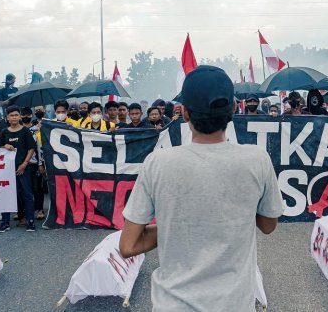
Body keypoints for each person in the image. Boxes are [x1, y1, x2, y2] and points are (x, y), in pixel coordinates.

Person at [119, 65, 283, 310]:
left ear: (184, 113)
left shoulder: (158, 162)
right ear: (233, 109)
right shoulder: (257, 159)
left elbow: (128, 245)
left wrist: (180, 226)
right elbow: (268, 225)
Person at [0, 106, 37, 232]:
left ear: (20, 117)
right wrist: (5, 145)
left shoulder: (25, 131)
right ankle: (5, 222)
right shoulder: (4, 132)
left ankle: (30, 221)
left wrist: (24, 164)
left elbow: (31, 148)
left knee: (27, 194)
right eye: (11, 115)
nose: (14, 117)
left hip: (23, 168)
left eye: (16, 115)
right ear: (7, 118)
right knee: (6, 195)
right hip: (7, 169)